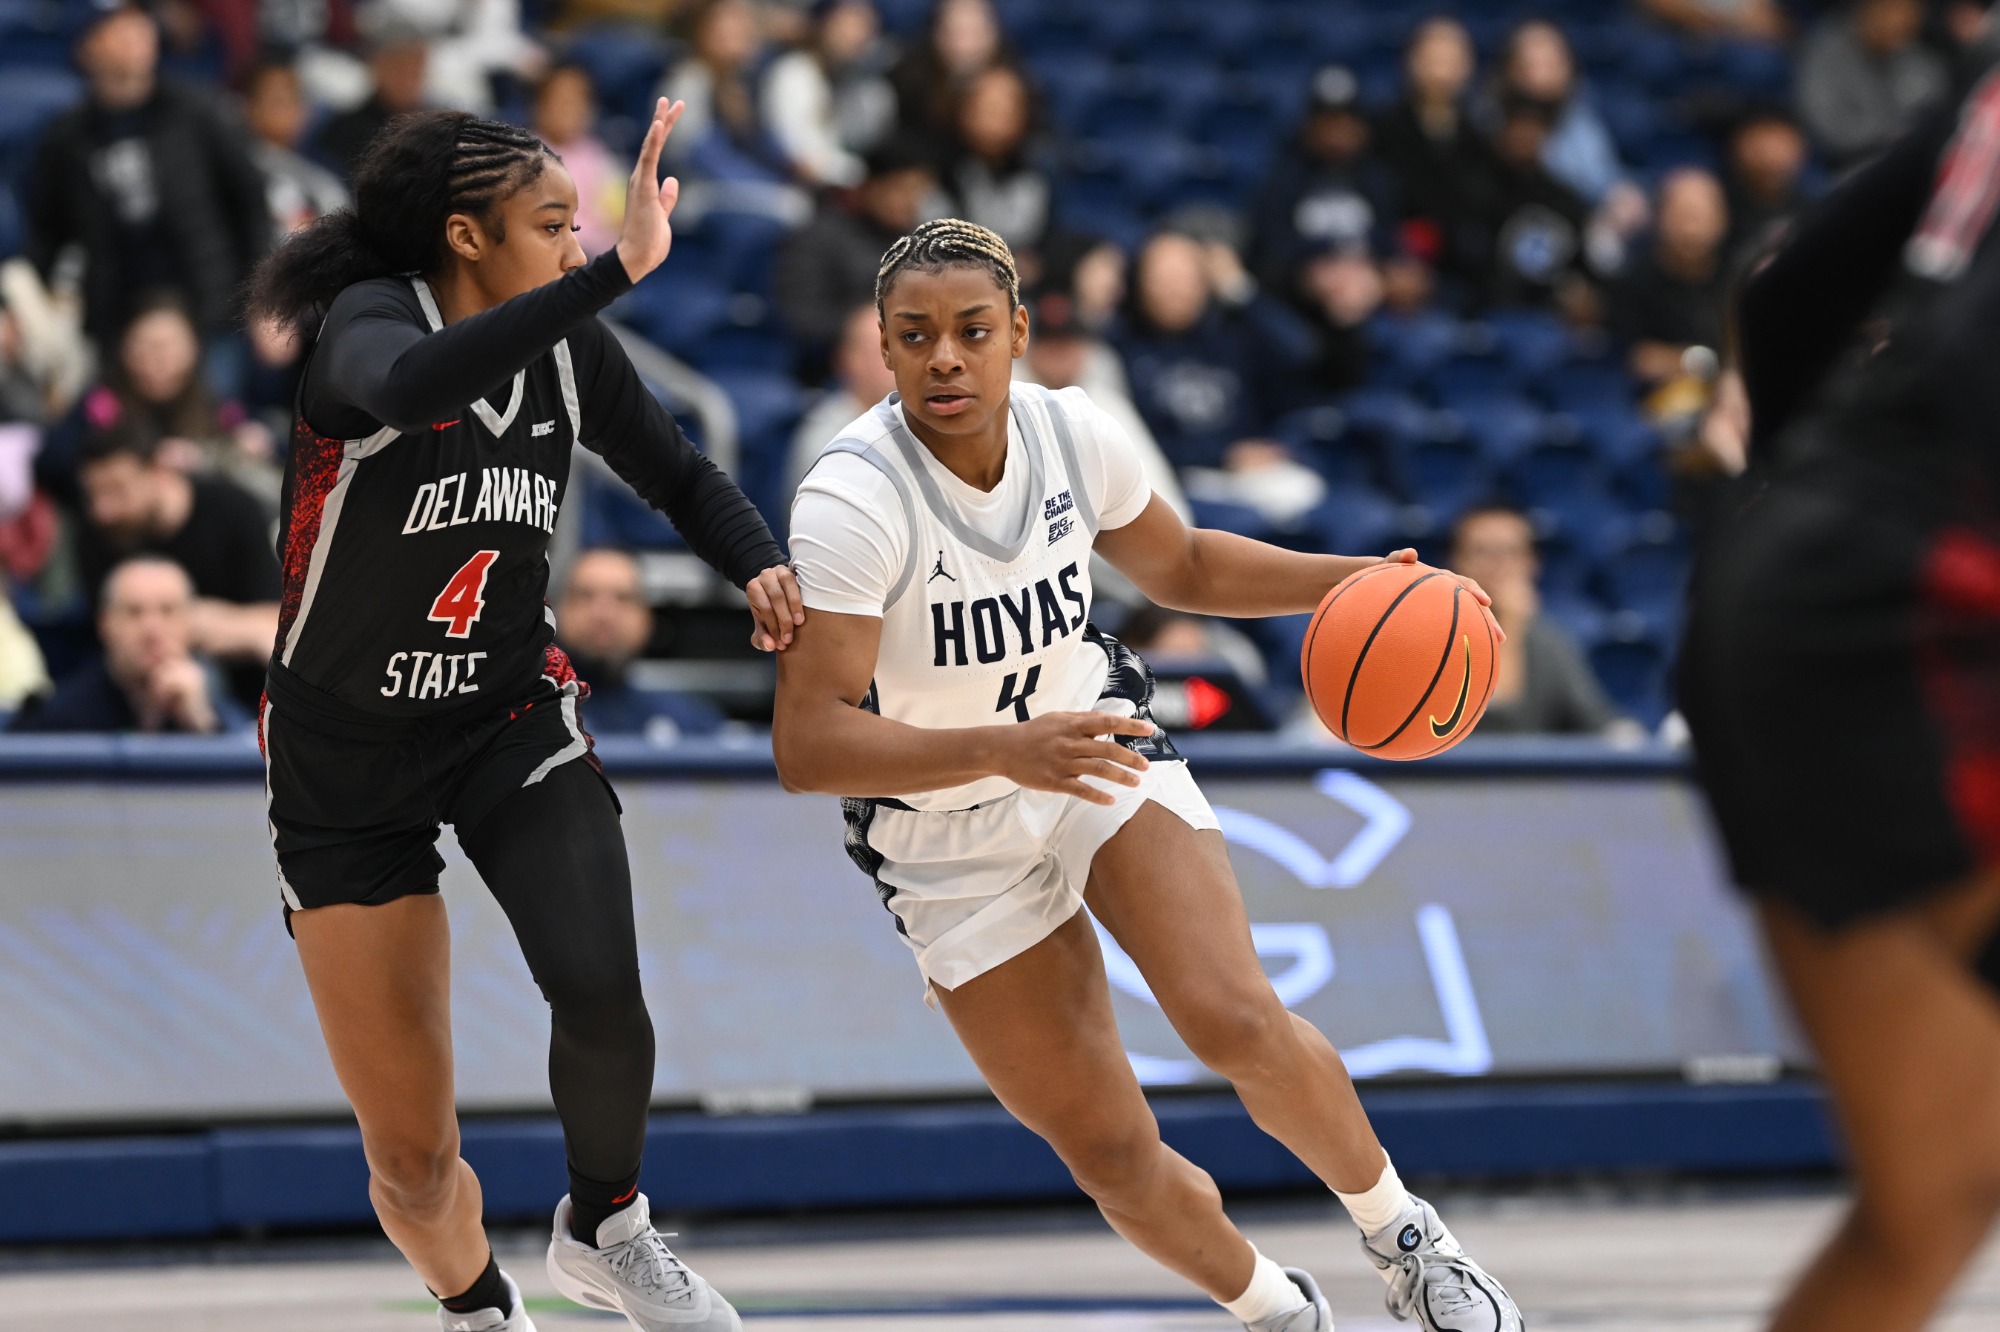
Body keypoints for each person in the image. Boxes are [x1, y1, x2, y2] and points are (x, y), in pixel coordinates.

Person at [776, 218, 1524, 1332]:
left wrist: (1357, 581)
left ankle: (1410, 1244)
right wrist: (996, 747)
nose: (944, 358)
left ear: (1017, 334)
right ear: (882, 350)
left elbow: (1180, 564)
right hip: (939, 828)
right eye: (915, 335)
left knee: (1229, 1013)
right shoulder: (850, 497)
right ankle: (1280, 1312)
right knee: (1111, 1153)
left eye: (971, 331)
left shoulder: (1076, 433)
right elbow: (807, 743)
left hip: (1089, 746)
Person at [241, 98, 800, 1331]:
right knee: (414, 1162)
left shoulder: (565, 346)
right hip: (344, 752)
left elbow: (678, 472)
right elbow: (409, 385)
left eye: (576, 227)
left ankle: (606, 1226)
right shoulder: (366, 326)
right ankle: (480, 1311)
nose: (570, 244)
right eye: (549, 225)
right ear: (463, 235)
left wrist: (759, 563)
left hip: (503, 714)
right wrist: (603, 278)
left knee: (602, 988)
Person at [1678, 67, 2000, 1331]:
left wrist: (1798, 505)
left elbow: (1789, 287)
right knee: (1937, 1187)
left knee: (1936, 1192)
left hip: (1804, 593)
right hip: (1899, 622)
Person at [23, 3, 271, 354]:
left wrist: (264, 295)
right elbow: (47, 233)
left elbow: (250, 200)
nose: (133, 39)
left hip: (211, 311)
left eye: (139, 26)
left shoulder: (198, 112)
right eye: (116, 30)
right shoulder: (67, 139)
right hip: (114, 324)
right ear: (86, 47)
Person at [74, 420, 279, 708]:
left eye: (117, 490)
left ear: (158, 471)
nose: (103, 510)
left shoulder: (233, 511)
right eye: (93, 495)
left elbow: (276, 624)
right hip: (130, 692)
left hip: (245, 688)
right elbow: (108, 632)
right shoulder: (97, 535)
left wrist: (200, 623)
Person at [9, 555, 247, 734]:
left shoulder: (212, 709)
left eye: (168, 611)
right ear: (104, 624)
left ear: (189, 623)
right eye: (134, 612)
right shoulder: (60, 719)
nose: (152, 629)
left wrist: (202, 723)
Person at [1446, 506, 1630, 736]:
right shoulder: (1438, 638)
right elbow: (1494, 722)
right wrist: (1510, 627)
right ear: (1456, 562)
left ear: (1532, 563)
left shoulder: (1548, 641)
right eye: (1482, 552)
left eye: (1509, 552)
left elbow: (1597, 719)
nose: (1497, 565)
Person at [774, 134, 936, 368]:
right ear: (870, 186)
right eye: (901, 190)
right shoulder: (818, 237)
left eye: (918, 193)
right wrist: (869, 326)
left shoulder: (920, 242)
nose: (910, 202)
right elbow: (799, 318)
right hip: (832, 366)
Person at [1372, 17, 1497, 298]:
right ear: (1411, 61)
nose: (1441, 71)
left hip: (1462, 271)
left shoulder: (1481, 139)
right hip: (1398, 264)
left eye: (1450, 59)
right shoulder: (1384, 131)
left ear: (1468, 66)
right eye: (1433, 58)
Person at [554, 548, 725, 739]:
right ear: (557, 611)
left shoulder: (690, 723)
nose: (603, 614)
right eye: (585, 596)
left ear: (647, 618)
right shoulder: (526, 717)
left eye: (623, 598)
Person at [1612, 168, 1732, 388]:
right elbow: (1639, 359)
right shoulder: (1634, 281)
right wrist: (1700, 362)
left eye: (1700, 217)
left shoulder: (1739, 275)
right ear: (1658, 218)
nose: (1691, 230)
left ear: (1722, 219)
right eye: (1681, 216)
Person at [1796, 0, 1949, 167]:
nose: (1900, 20)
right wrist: (1893, 134)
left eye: (1910, 11)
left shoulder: (1925, 65)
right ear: (1864, 10)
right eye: (1890, 9)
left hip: (1911, 168)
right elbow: (1827, 132)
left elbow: (1938, 126)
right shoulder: (1825, 54)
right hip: (1845, 168)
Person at [762, 0, 896, 189]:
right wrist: (862, 177)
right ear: (824, 23)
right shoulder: (794, 74)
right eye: (848, 24)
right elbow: (804, 161)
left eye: (866, 27)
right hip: (788, 188)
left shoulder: (857, 85)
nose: (857, 36)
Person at [656, 0, 788, 183]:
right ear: (703, 30)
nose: (740, 29)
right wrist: (753, 182)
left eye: (744, 22)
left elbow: (766, 147)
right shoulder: (689, 79)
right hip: (695, 191)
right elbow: (690, 151)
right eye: (729, 20)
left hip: (742, 187)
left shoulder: (744, 83)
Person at [939, 63, 1051, 260]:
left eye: (1004, 110)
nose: (993, 121)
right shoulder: (939, 168)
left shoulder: (1042, 171)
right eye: (985, 108)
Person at [788, 302, 900, 491]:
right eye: (878, 352)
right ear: (848, 360)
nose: (894, 361)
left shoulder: (928, 422)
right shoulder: (827, 438)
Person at [242, 58, 352, 239]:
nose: (288, 109)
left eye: (294, 98)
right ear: (250, 107)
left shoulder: (322, 172)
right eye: (277, 99)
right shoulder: (239, 170)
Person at [889, 0, 1009, 155]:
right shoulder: (908, 81)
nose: (964, 46)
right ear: (936, 34)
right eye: (955, 32)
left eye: (973, 33)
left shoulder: (1010, 84)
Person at [316, 23, 431, 181]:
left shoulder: (436, 127)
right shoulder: (347, 129)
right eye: (399, 67)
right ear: (376, 66)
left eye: (416, 67)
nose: (409, 78)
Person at [530, 63, 622, 257]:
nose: (568, 109)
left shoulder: (601, 158)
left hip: (595, 261)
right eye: (560, 100)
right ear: (539, 105)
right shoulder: (523, 156)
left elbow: (619, 219)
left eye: (577, 101)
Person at [1724, 111, 1810, 273]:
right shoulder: (1720, 213)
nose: (1772, 158)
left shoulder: (1814, 208)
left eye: (1780, 143)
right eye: (1762, 145)